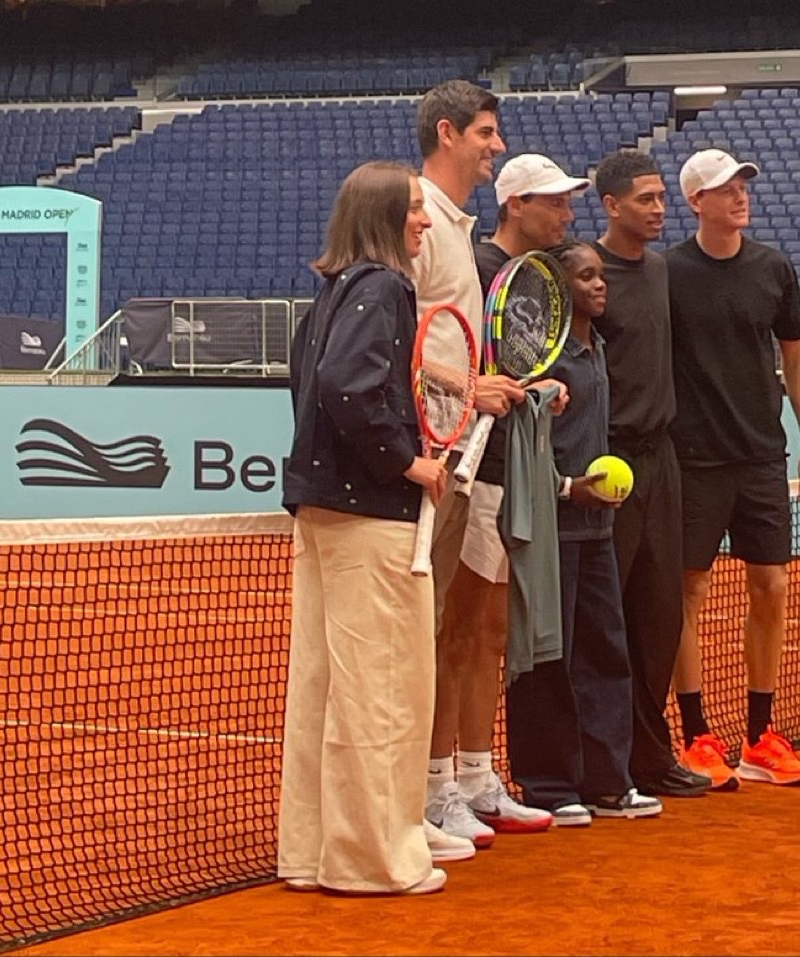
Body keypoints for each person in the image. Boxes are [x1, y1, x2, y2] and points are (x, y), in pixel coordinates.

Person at [278, 161, 448, 896]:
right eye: (412, 208)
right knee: (382, 687)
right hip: (371, 516)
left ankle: (313, 851)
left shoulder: (332, 292)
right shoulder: (381, 287)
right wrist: (406, 462)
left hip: (324, 510)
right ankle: (374, 859)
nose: (425, 220)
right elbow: (347, 387)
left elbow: (312, 383)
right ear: (381, 217)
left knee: (325, 688)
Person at [410, 80, 550, 849]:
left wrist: (494, 387)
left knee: (468, 627)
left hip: (462, 449)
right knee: (435, 628)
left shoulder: (454, 225)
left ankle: (465, 777)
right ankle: (427, 790)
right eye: (485, 133)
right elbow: (400, 341)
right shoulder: (421, 220)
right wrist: (469, 387)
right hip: (428, 455)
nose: (496, 146)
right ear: (447, 132)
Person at [665, 148, 800, 791]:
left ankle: (760, 739)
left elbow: (795, 356)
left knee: (772, 586)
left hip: (762, 456)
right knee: (688, 592)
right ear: (695, 202)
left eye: (742, 186)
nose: (739, 195)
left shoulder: (773, 268)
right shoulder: (666, 273)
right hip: (693, 460)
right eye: (724, 188)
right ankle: (696, 736)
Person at [506, 239, 663, 826]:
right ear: (556, 290)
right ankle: (549, 785)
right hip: (553, 530)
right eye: (586, 277)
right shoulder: (540, 361)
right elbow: (524, 445)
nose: (600, 285)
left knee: (604, 654)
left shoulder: (597, 347)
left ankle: (608, 780)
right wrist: (568, 488)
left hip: (598, 529)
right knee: (550, 658)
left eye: (602, 276)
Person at [591, 149, 710, 798]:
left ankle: (649, 755)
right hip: (607, 465)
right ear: (611, 206)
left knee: (659, 616)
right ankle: (603, 763)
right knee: (606, 620)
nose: (660, 208)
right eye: (646, 199)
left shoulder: (661, 270)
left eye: (662, 197)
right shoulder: (584, 272)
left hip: (662, 463)